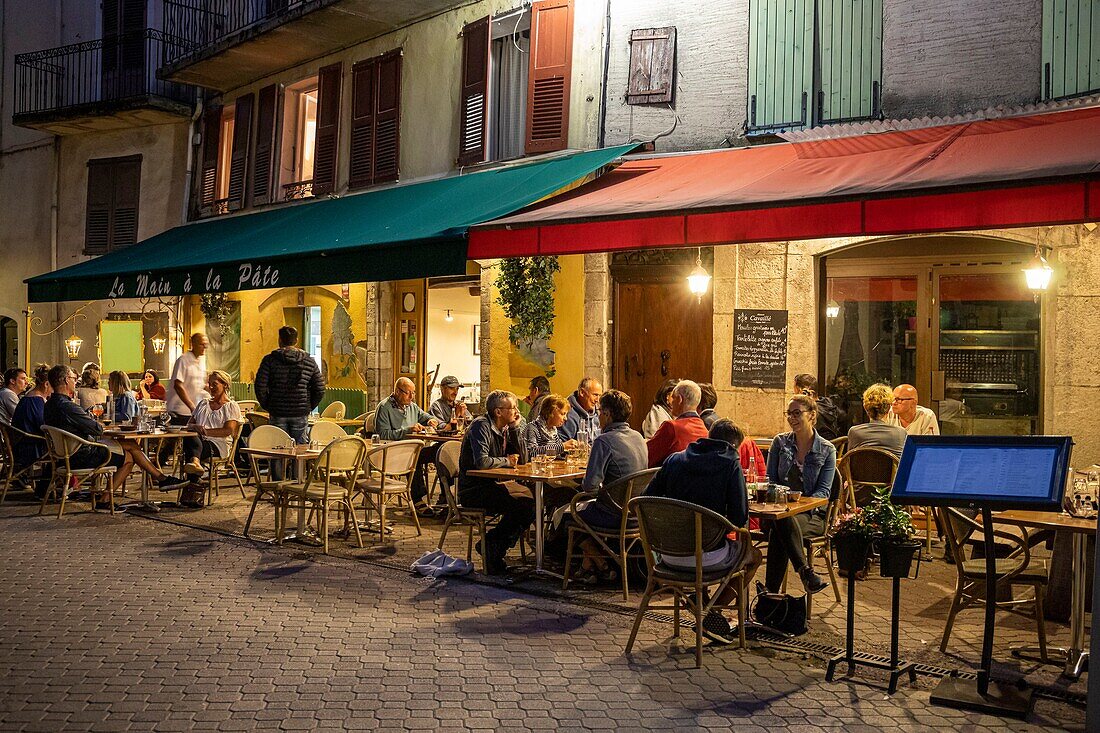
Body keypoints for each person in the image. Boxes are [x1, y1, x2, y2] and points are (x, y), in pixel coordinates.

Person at [643, 418, 763, 643]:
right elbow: (739, 518)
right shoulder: (730, 464)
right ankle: (710, 612)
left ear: (708, 437)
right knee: (752, 555)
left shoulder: (674, 459)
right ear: (735, 446)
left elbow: (647, 499)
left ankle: (702, 607)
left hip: (666, 556)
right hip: (706, 558)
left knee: (710, 544)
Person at [43, 365, 186, 503]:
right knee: (129, 457)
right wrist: (97, 423)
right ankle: (156, 480)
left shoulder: (49, 405)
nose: (76, 381)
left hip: (65, 456)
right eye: (74, 378)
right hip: (83, 455)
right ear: (66, 380)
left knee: (130, 446)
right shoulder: (68, 406)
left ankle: (160, 479)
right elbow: (96, 429)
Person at [764, 394, 837, 596]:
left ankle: (770, 595)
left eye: (797, 413)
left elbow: (823, 492)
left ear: (812, 415)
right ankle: (805, 573)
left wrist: (798, 504)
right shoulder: (780, 443)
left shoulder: (827, 449)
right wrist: (782, 500)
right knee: (783, 520)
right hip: (779, 510)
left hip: (811, 515)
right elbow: (770, 480)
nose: (791, 418)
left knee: (781, 527)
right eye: (789, 413)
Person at [457, 390, 534, 574]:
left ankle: (493, 546)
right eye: (513, 408)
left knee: (532, 504)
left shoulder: (505, 428)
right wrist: (507, 461)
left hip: (492, 485)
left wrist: (515, 428)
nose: (517, 412)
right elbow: (482, 462)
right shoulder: (480, 426)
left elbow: (522, 460)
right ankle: (492, 546)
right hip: (473, 490)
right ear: (498, 412)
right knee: (524, 507)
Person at [375, 377, 441, 514]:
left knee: (440, 451)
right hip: (392, 451)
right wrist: (408, 430)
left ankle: (446, 497)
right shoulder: (384, 407)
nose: (411, 396)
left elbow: (426, 416)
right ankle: (417, 500)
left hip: (412, 449)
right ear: (397, 392)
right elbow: (383, 434)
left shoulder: (411, 406)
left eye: (413, 393)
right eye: (408, 393)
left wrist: (431, 421)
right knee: (414, 458)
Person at [254, 326, 325, 444]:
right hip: (300, 412)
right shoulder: (309, 361)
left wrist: (269, 405)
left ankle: (278, 463)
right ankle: (298, 464)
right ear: (296, 340)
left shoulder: (270, 360)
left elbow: (260, 386)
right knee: (300, 448)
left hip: (277, 411)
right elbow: (319, 389)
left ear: (280, 340)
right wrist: (307, 406)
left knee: (277, 448)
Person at [180, 371, 243, 502]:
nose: (211, 387)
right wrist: (196, 427)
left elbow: (227, 431)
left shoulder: (231, 406)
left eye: (215, 384)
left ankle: (195, 468)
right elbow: (189, 424)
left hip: (217, 445)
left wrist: (205, 432)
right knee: (190, 436)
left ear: (225, 385)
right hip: (197, 441)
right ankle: (195, 466)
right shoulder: (203, 403)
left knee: (191, 445)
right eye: (210, 384)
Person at [646, 380, 708, 468]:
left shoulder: (671, 427)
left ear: (679, 399)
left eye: (673, 397)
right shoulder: (705, 429)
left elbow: (647, 457)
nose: (671, 403)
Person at [11, 364, 50, 491]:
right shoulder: (36, 401)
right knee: (64, 450)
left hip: (20, 444)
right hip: (30, 449)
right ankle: (51, 487)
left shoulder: (28, 397)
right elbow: (44, 426)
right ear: (46, 384)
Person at [847, 383, 907, 457]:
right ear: (888, 408)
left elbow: (849, 462)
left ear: (865, 408)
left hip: (862, 468)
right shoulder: (900, 433)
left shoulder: (854, 432)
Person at [166, 333, 209, 424]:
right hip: (180, 410)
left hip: (194, 411)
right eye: (202, 344)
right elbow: (178, 385)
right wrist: (191, 406)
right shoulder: (183, 360)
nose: (204, 347)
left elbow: (201, 384)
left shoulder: (201, 361)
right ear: (193, 344)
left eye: (206, 344)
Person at [522, 394, 580, 459]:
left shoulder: (552, 431)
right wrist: (563, 446)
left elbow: (557, 451)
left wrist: (573, 449)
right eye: (562, 414)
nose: (565, 418)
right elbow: (531, 452)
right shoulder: (532, 428)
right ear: (551, 412)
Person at [792, 373, 844, 440]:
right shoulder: (828, 403)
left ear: (802, 392)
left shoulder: (810, 413)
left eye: (795, 393)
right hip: (831, 447)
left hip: (815, 448)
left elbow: (802, 437)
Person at [560, 377, 602, 443]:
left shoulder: (597, 413)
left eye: (599, 396)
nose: (597, 400)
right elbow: (563, 446)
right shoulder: (568, 415)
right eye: (595, 395)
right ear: (582, 392)